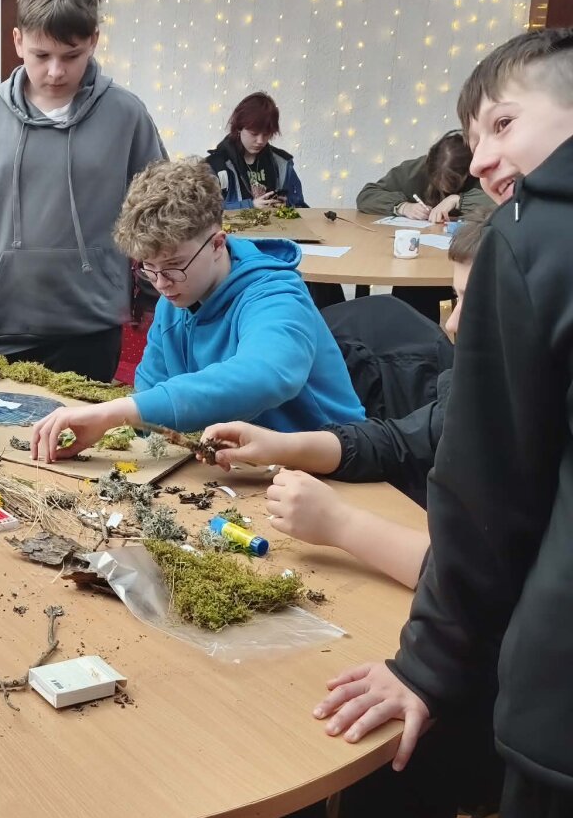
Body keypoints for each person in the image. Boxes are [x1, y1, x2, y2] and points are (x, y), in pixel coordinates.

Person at [314, 27, 573, 818]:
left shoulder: (531, 239)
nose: (485, 161)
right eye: (473, 139)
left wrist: (425, 665)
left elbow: (487, 493)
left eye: (503, 123)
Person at [199, 210, 488, 590]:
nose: (450, 323)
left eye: (475, 303)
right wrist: (281, 445)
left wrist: (341, 524)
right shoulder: (484, 392)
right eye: (456, 298)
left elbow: (484, 585)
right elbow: (399, 441)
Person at [30, 157, 363, 462]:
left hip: (333, 470)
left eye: (174, 265)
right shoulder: (176, 299)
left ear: (217, 244)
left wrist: (117, 412)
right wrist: (115, 423)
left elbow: (265, 374)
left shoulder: (276, 295)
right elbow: (149, 394)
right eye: (148, 267)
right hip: (243, 470)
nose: (161, 283)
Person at [0, 0, 166, 382]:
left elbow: (158, 214)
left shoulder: (126, 115)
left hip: (92, 327)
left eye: (71, 56)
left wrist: (162, 295)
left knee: (82, 426)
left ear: (93, 41)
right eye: (41, 55)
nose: (55, 71)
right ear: (18, 41)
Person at [356, 130, 493, 224]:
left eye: (452, 182)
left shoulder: (484, 173)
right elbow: (366, 195)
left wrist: (458, 200)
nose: (443, 187)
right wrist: (403, 207)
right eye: (436, 179)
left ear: (469, 171)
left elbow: (504, 205)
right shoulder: (415, 170)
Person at [205, 91, 307, 210]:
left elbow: (300, 205)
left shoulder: (282, 163)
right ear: (239, 128)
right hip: (232, 223)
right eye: (254, 133)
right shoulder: (216, 164)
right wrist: (250, 205)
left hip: (274, 222)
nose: (260, 141)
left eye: (266, 134)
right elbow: (204, 210)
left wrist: (288, 204)